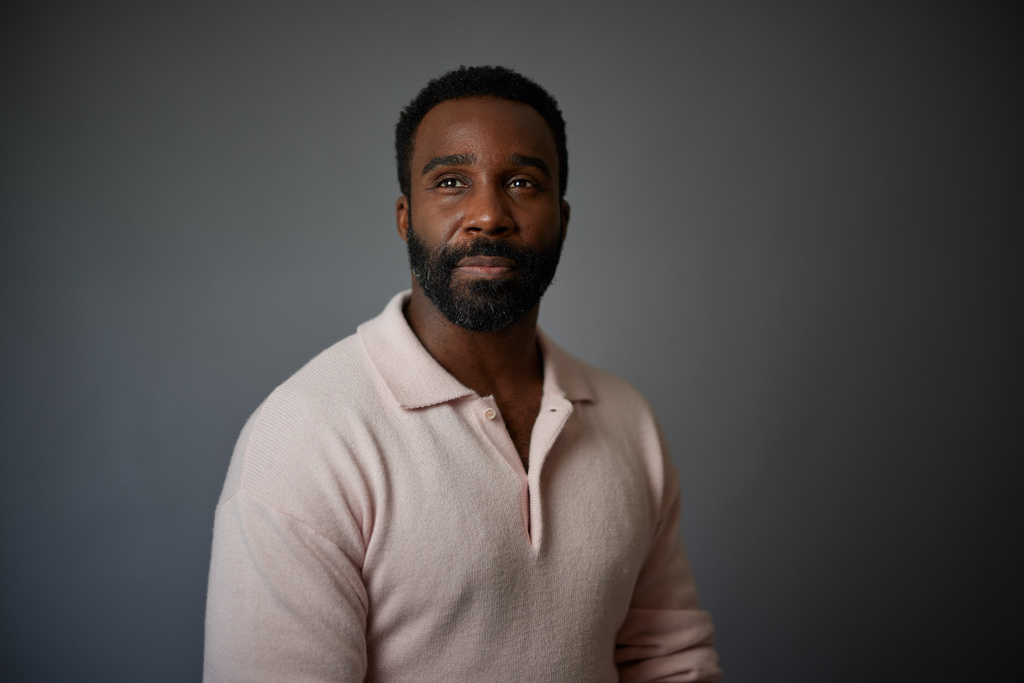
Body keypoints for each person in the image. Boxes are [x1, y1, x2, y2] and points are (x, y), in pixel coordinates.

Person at [204, 65, 721, 682]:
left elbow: (667, 662)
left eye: (522, 183)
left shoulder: (627, 419)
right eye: (451, 181)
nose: (488, 215)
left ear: (562, 216)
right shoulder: (304, 437)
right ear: (404, 216)